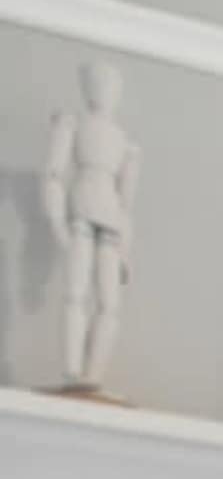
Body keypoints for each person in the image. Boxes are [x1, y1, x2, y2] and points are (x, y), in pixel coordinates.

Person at [42, 59, 138, 394]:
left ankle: (92, 373)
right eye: (98, 83)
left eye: (111, 85)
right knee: (76, 292)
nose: (104, 92)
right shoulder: (72, 125)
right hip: (81, 209)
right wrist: (56, 222)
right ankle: (72, 368)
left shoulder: (126, 144)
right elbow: (54, 175)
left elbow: (126, 204)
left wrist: (127, 251)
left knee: (109, 303)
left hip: (109, 216)